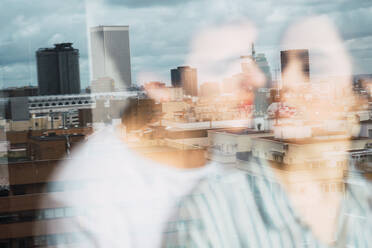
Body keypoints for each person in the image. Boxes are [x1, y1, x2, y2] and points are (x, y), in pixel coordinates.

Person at [163, 16, 372, 247]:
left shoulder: (362, 201)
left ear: (360, 93)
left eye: (314, 67)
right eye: (286, 67)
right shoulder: (211, 214)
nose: (288, 81)